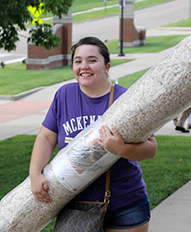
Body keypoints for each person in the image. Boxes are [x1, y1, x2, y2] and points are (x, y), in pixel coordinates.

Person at [29, 36, 157, 231]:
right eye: (78, 61)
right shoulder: (64, 95)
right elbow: (46, 137)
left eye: (92, 60)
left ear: (107, 67)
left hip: (125, 203)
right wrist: (35, 173)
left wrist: (120, 148)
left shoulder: (125, 99)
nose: (84, 66)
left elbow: (151, 149)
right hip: (76, 204)